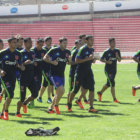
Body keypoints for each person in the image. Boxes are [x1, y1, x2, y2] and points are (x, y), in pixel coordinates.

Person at [67, 35, 98, 113]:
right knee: (75, 89)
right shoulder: (82, 49)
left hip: (88, 71)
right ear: (86, 41)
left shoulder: (92, 49)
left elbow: (90, 60)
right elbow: (77, 60)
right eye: (91, 40)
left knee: (91, 88)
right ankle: (69, 103)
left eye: (93, 40)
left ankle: (91, 107)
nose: (92, 41)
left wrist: (93, 59)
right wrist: (89, 58)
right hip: (80, 72)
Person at [43, 37, 71, 114]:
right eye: (64, 43)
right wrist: (52, 62)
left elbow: (69, 63)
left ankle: (50, 108)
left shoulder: (68, 52)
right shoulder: (54, 50)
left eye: (66, 43)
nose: (65, 45)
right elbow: (45, 58)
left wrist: (70, 60)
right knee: (62, 90)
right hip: (53, 75)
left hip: (62, 75)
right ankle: (56, 105)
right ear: (59, 43)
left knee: (58, 92)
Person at [0, 37, 24, 120]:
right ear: (9, 43)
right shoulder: (2, 53)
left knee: (8, 96)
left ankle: (2, 114)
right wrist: (1, 71)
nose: (16, 44)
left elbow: (21, 65)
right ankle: (6, 112)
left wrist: (21, 67)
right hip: (5, 77)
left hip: (13, 77)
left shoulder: (18, 54)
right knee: (10, 94)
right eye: (14, 42)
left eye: (16, 42)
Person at [16, 37, 38, 118]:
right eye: (29, 42)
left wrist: (34, 63)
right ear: (25, 44)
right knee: (22, 97)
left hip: (31, 77)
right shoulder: (20, 53)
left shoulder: (32, 52)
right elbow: (17, 64)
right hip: (23, 77)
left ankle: (25, 103)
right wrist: (24, 64)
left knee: (35, 94)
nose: (31, 44)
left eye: (31, 42)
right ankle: (17, 112)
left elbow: (33, 61)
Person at [97, 38, 121, 103]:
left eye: (114, 42)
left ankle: (100, 93)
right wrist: (107, 62)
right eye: (112, 42)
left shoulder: (117, 50)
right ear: (110, 43)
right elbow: (101, 59)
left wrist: (117, 56)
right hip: (108, 70)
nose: (114, 43)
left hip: (114, 70)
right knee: (112, 83)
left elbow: (119, 60)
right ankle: (114, 99)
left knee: (108, 84)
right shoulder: (106, 51)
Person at [27, 38, 46, 108]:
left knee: (38, 88)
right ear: (36, 44)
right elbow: (28, 60)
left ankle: (30, 100)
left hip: (39, 72)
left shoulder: (44, 51)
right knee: (35, 88)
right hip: (33, 72)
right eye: (39, 44)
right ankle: (29, 102)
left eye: (42, 45)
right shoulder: (32, 51)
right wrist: (32, 63)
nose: (41, 46)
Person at [37, 37, 54, 104]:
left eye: (51, 41)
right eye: (49, 41)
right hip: (44, 69)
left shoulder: (52, 49)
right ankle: (49, 98)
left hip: (51, 69)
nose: (50, 42)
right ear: (45, 42)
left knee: (45, 84)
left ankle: (40, 97)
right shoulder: (43, 49)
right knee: (50, 82)